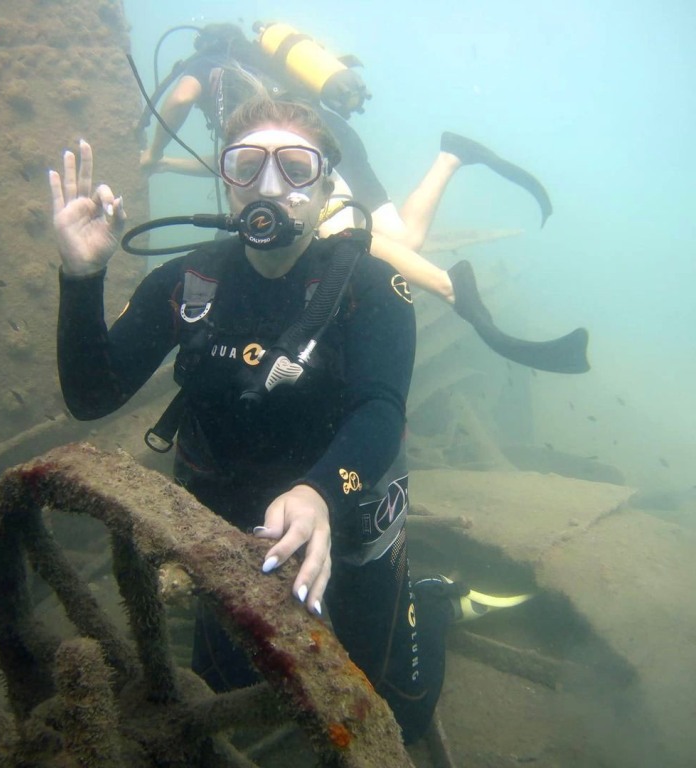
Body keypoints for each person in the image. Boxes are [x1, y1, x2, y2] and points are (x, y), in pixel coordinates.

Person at [51, 97, 456, 743]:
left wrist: (319, 493)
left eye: (296, 167)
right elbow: (91, 396)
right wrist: (81, 276)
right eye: (247, 165)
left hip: (347, 500)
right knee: (221, 685)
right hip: (225, 517)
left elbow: (381, 409)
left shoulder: (372, 287)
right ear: (227, 181)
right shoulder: (187, 282)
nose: (269, 186)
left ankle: (432, 601)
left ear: (326, 186)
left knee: (396, 702)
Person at [138, 23, 553, 286]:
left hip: (306, 157)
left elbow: (180, 98)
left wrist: (153, 150)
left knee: (339, 240)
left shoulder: (205, 65)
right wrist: (165, 165)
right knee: (405, 240)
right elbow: (237, 168)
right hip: (334, 136)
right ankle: (451, 156)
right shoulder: (258, 63)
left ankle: (451, 289)